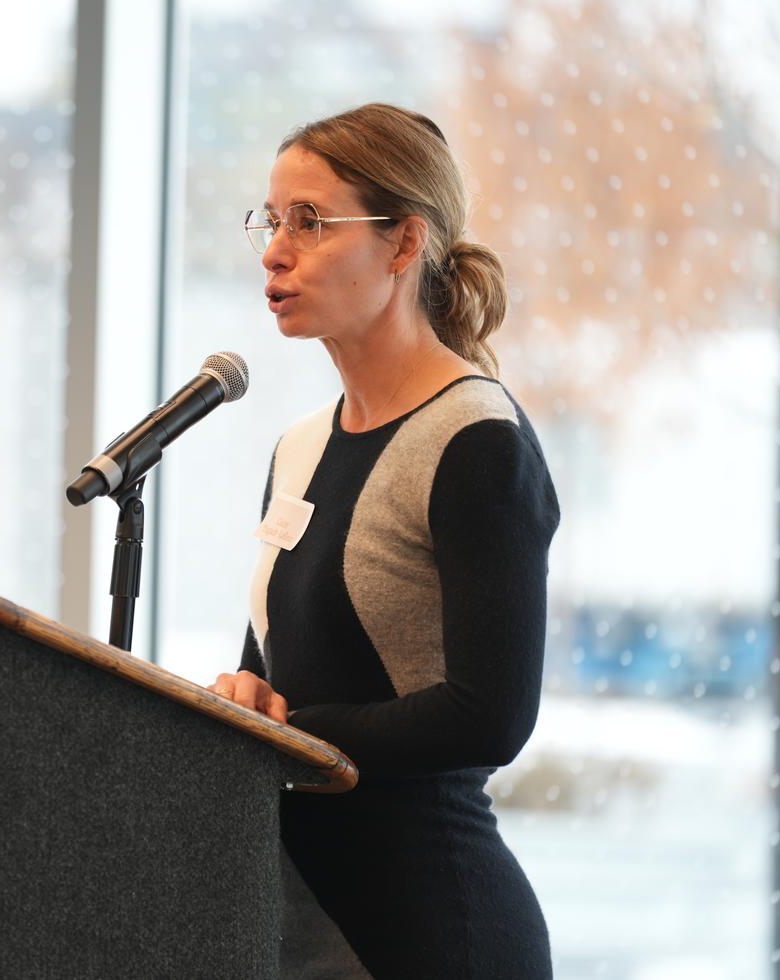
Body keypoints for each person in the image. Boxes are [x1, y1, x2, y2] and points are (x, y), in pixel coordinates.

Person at [206, 103, 560, 978]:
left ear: (405, 243)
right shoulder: (298, 446)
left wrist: (297, 738)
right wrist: (246, 699)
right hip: (292, 919)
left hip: (435, 927)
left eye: (312, 223)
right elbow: (276, 674)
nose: (275, 250)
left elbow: (492, 715)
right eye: (273, 220)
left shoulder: (476, 440)